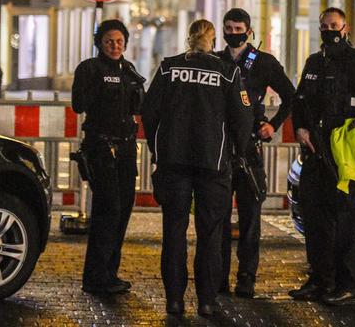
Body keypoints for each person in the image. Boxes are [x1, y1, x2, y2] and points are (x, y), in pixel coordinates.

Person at [141, 19, 253, 318]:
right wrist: (237, 153)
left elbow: (149, 112)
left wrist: (158, 149)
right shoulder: (227, 72)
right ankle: (206, 301)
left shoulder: (168, 68)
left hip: (173, 163)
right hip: (212, 165)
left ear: (188, 37)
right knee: (210, 235)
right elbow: (243, 119)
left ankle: (174, 302)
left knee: (174, 233)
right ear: (213, 40)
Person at [289, 7, 355, 305]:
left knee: (347, 221)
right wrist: (300, 129)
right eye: (324, 26)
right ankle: (319, 279)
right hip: (314, 152)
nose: (329, 31)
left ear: (346, 27)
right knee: (316, 219)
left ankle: (348, 283)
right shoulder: (314, 62)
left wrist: (349, 140)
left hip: (345, 157)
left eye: (334, 25)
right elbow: (299, 101)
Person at [215, 8, 295, 299]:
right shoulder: (216, 61)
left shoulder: (264, 63)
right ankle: (218, 277)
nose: (233, 33)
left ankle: (246, 277)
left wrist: (272, 125)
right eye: (229, 28)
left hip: (249, 150)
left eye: (238, 29)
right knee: (217, 219)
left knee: (250, 219)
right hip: (221, 151)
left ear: (249, 31)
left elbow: (291, 96)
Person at [71, 19, 145, 295]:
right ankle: (95, 276)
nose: (115, 46)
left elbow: (141, 106)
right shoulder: (90, 69)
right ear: (99, 44)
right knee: (108, 210)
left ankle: (110, 273)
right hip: (101, 148)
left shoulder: (129, 70)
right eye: (109, 41)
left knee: (123, 209)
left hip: (126, 148)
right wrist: (99, 87)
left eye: (119, 41)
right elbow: (78, 104)